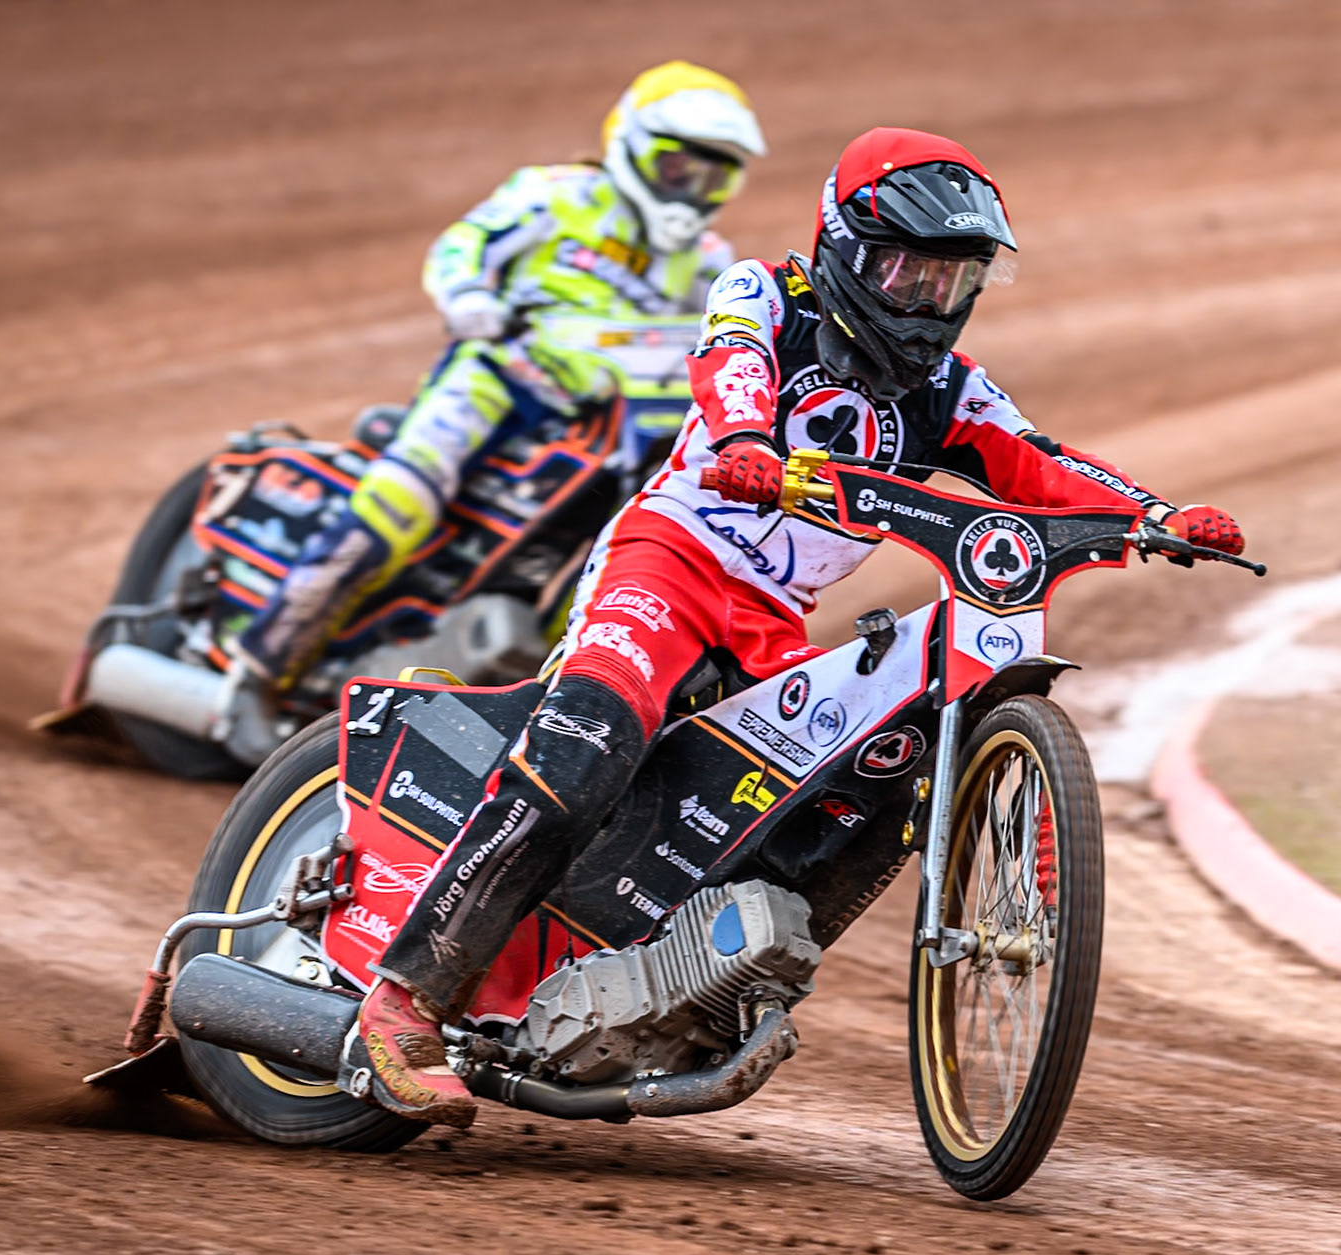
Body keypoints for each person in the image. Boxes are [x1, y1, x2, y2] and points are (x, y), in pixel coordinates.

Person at [338, 127, 1247, 1127]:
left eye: (952, 280)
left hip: (771, 621)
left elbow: (1038, 461)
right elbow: (729, 363)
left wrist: (1154, 515)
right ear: (846, 249)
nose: (926, 301)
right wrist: (742, 438)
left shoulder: (950, 389)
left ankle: (680, 982)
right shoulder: (767, 295)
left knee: (859, 778)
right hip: (670, 564)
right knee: (588, 748)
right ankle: (406, 1002)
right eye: (906, 271)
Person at [231, 62, 766, 688]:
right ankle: (254, 675)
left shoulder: (707, 261)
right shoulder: (557, 195)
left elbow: (726, 340)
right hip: (498, 383)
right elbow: (465, 244)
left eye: (714, 176)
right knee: (398, 507)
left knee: (628, 546)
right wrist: (468, 296)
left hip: (612, 428)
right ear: (632, 145)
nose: (692, 188)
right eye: (678, 167)